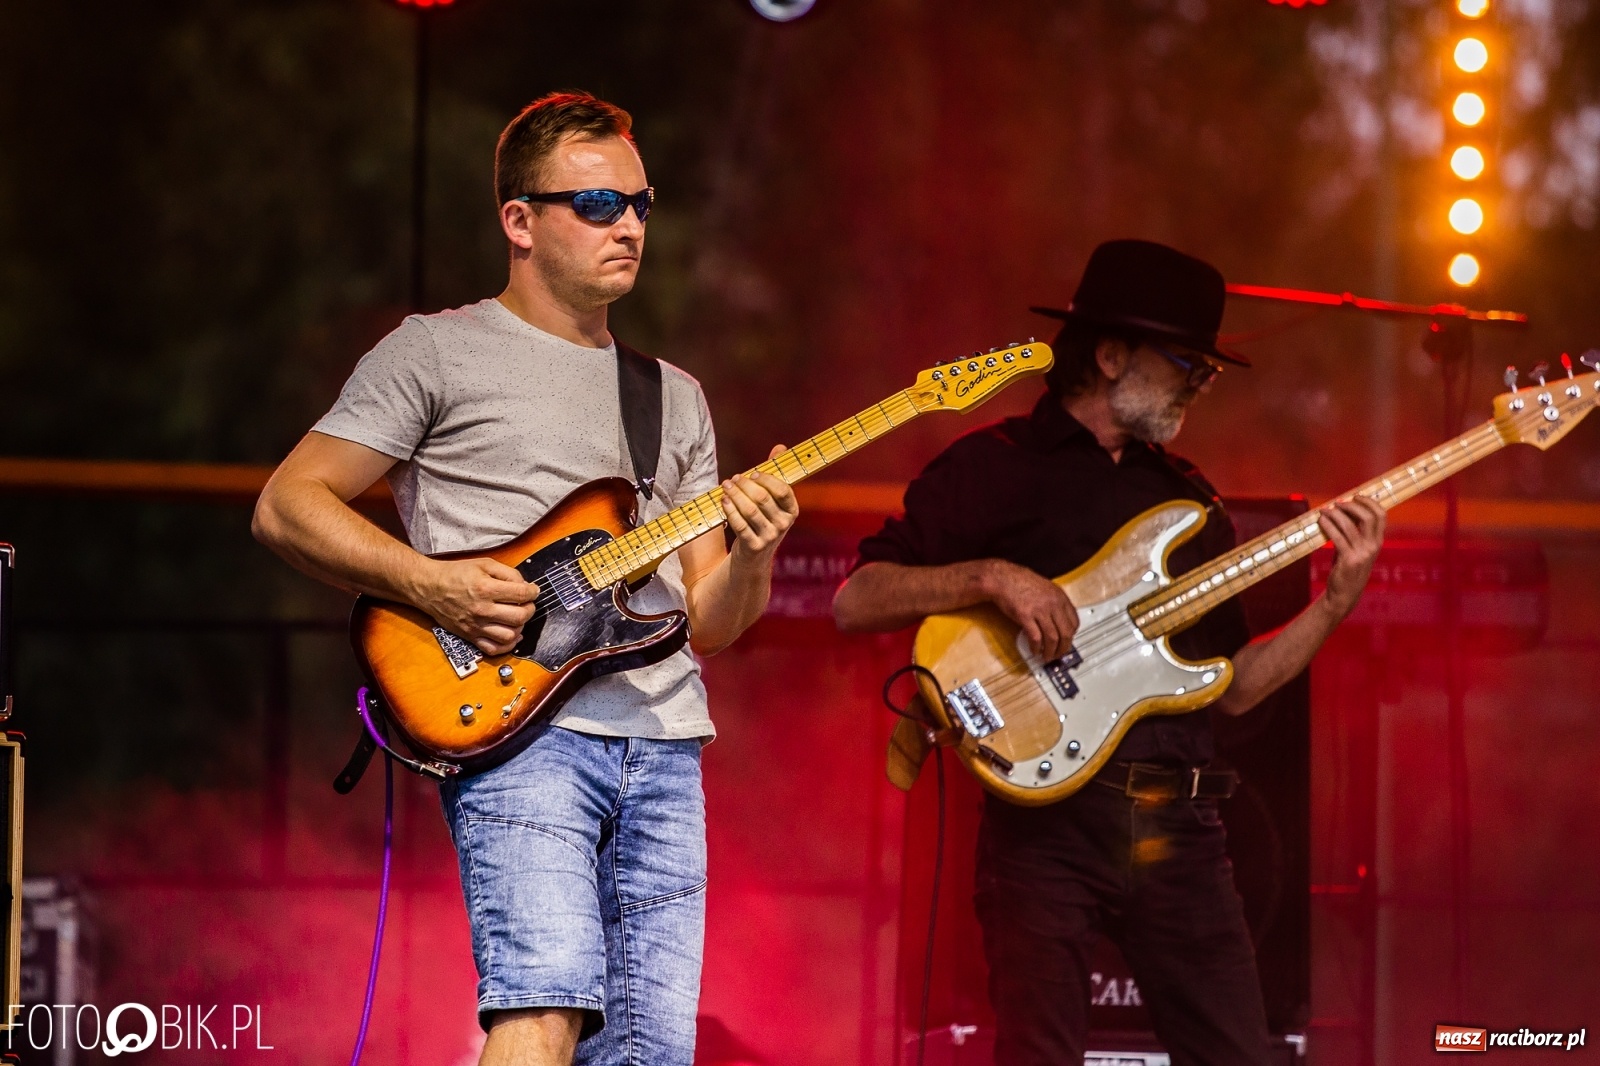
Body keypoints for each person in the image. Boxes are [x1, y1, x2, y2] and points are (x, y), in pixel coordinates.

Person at [252, 92, 799, 1066]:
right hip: (520, 732)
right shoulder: (436, 350)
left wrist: (753, 548)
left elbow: (709, 622)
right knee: (540, 1007)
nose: (628, 224)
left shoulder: (671, 396)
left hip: (667, 744)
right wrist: (432, 585)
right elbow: (290, 504)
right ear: (519, 220)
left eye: (640, 202)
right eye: (596, 205)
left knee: (646, 1054)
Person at [832, 239, 1385, 1066]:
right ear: (1112, 354)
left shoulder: (1191, 504)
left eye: (1207, 368)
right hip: (1042, 833)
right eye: (1185, 362)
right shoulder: (995, 468)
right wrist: (995, 578)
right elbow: (856, 600)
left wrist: (1336, 602)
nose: (1200, 381)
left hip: (1180, 827)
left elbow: (1232, 692)